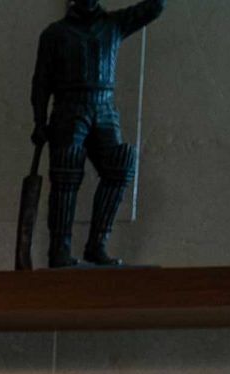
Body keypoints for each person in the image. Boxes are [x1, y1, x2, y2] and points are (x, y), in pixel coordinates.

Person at [30, 0, 165, 268]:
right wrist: (39, 120)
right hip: (69, 108)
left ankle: (97, 245)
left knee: (120, 164)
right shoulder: (55, 34)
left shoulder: (113, 25)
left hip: (104, 107)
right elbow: (41, 80)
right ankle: (59, 249)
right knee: (66, 174)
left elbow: (155, 6)